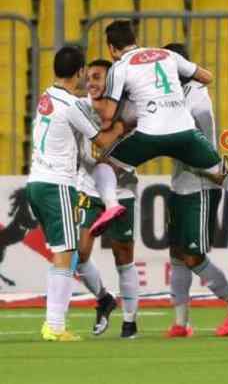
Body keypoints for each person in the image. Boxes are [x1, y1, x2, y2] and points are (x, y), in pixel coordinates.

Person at [95, 20, 228, 248]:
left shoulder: (119, 67)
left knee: (105, 165)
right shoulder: (167, 55)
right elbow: (207, 77)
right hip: (185, 133)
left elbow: (108, 115)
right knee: (225, 177)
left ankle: (111, 205)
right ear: (136, 39)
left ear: (111, 48)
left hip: (150, 133)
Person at [161, 43, 228, 337]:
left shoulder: (198, 102)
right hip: (180, 184)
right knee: (177, 253)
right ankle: (181, 323)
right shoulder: (173, 96)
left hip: (200, 186)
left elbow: (204, 150)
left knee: (193, 256)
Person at [28, 46, 125, 341]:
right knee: (66, 254)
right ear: (80, 71)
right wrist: (122, 126)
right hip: (56, 184)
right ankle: (54, 326)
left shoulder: (47, 95)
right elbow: (102, 141)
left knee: (65, 251)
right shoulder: (72, 105)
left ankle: (62, 319)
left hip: (36, 182)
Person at [75, 59, 140, 339]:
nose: (91, 83)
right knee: (78, 254)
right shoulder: (79, 107)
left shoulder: (131, 110)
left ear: (112, 82)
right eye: (89, 77)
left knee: (123, 256)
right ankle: (104, 298)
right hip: (88, 189)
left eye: (97, 77)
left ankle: (130, 321)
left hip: (122, 190)